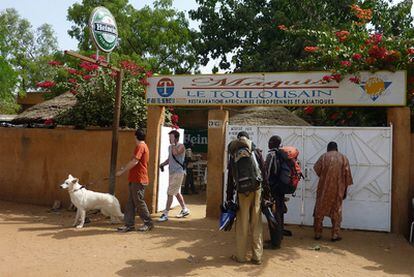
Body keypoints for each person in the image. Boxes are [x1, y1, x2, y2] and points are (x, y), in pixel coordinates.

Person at [226, 131, 272, 265]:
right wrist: (267, 193)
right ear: (248, 139)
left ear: (238, 139)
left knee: (242, 224)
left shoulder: (234, 154)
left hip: (241, 192)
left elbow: (231, 177)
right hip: (256, 189)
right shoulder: (256, 151)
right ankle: (257, 257)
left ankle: (240, 257)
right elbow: (264, 172)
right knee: (256, 223)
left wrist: (229, 196)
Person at [313, 141, 353, 241]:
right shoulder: (343, 158)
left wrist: (325, 176)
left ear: (328, 148)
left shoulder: (323, 157)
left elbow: (317, 169)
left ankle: (318, 233)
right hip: (338, 190)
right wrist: (345, 191)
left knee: (319, 211)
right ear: (337, 148)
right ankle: (335, 235)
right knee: (336, 211)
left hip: (323, 189)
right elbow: (347, 176)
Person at [116, 128, 153, 232]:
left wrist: (122, 172)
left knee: (138, 202)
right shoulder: (142, 146)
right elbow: (133, 161)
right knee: (131, 202)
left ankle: (148, 223)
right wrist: (124, 168)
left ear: (135, 136)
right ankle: (129, 225)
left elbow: (135, 161)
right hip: (136, 178)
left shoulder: (140, 146)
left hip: (139, 178)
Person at [158, 130, 190, 222]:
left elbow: (176, 153)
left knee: (170, 193)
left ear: (176, 138)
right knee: (175, 192)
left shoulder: (181, 146)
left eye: (171, 137)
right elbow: (170, 158)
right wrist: (163, 164)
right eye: (169, 137)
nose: (169, 139)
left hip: (178, 172)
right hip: (172, 172)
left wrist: (173, 144)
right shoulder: (170, 147)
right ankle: (184, 209)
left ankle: (165, 213)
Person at [264, 135, 287, 249]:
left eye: (270, 141)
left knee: (273, 214)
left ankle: (275, 243)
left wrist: (265, 188)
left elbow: (266, 174)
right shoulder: (282, 154)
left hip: (273, 189)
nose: (268, 143)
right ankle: (278, 237)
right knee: (279, 213)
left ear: (273, 142)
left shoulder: (271, 155)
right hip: (280, 188)